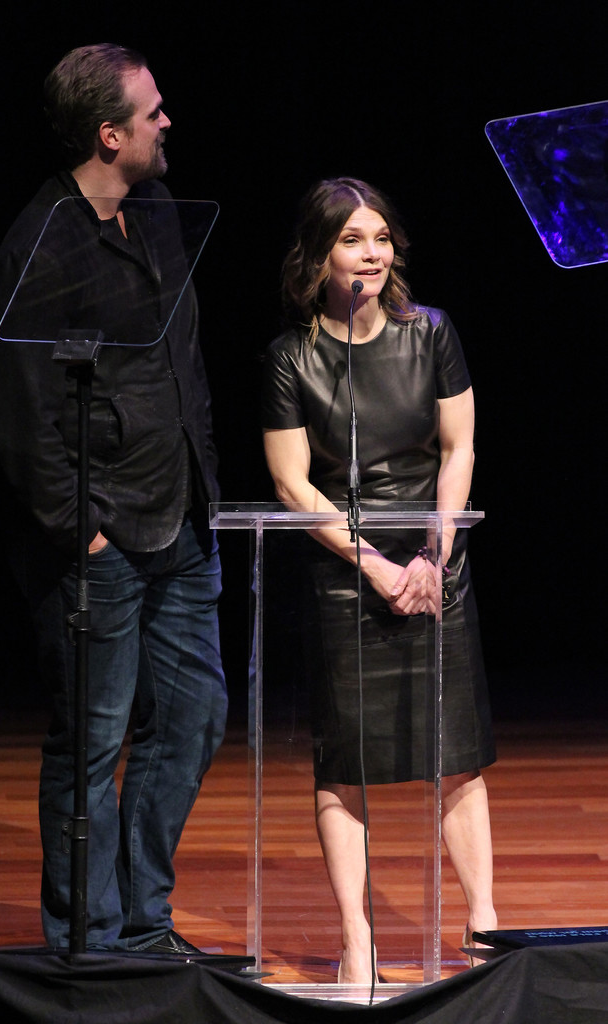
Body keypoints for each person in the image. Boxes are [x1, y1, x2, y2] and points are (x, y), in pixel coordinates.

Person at [0, 44, 229, 955]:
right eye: (152, 112)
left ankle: (141, 919)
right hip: (99, 531)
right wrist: (77, 529)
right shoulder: (40, 241)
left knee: (195, 717)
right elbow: (22, 408)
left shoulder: (160, 209)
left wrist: (203, 477)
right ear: (108, 133)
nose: (168, 123)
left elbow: (180, 361)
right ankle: (90, 938)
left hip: (180, 513)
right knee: (92, 740)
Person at [261, 177, 498, 984]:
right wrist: (372, 562)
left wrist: (435, 556)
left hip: (435, 562)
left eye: (381, 238)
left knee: (457, 757)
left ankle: (483, 931)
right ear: (320, 255)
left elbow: (457, 448)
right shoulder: (290, 356)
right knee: (344, 763)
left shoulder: (429, 332)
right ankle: (358, 942)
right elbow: (294, 485)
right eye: (353, 240)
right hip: (343, 566)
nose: (371, 254)